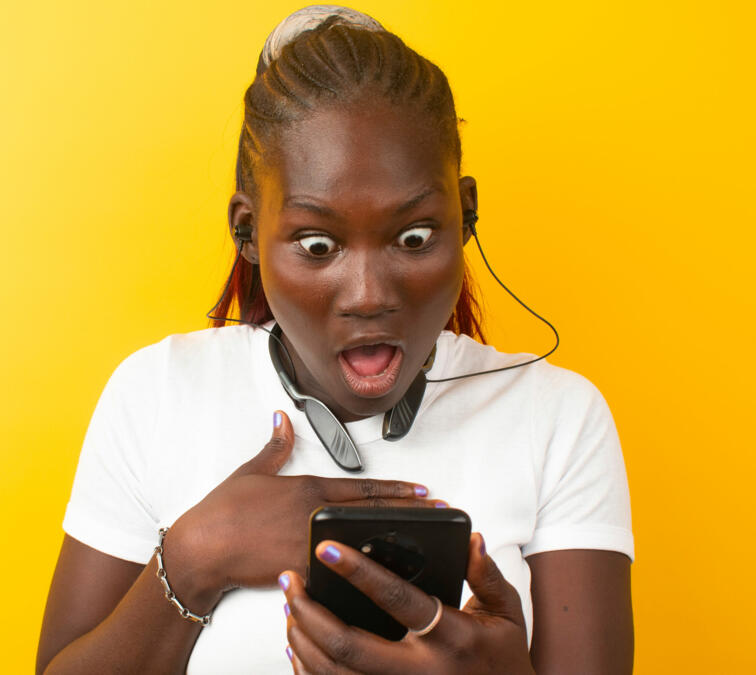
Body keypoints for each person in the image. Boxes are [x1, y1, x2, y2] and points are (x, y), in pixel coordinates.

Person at [37, 6, 634, 674]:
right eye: (318, 244)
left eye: (414, 237)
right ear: (247, 231)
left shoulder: (559, 418)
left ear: (465, 214)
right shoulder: (156, 394)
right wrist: (198, 554)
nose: (369, 294)